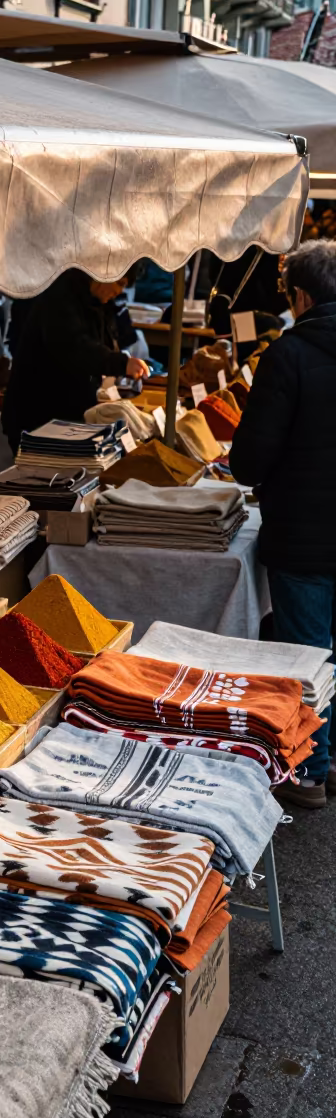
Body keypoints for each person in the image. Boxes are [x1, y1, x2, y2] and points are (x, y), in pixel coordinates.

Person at [230, 239, 336, 810]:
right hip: (311, 527)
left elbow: (250, 459)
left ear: (299, 294)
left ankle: (310, 770)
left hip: (304, 532)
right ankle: (330, 758)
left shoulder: (289, 353)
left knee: (307, 651)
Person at [0, 269, 150, 455]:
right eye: (120, 283)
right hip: (37, 415)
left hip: (66, 414)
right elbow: (73, 347)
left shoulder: (95, 301)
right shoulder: (61, 296)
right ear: (104, 274)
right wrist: (120, 363)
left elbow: (100, 344)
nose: (119, 292)